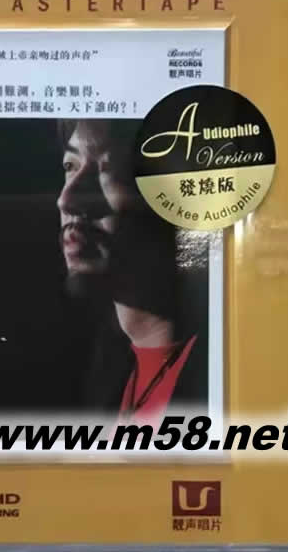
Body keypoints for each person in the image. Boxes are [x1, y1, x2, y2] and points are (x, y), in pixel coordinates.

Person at [57, 119, 208, 423]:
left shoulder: (220, 373)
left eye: (108, 168)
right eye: (70, 166)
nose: (66, 199)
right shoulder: (103, 371)